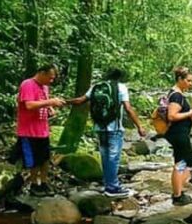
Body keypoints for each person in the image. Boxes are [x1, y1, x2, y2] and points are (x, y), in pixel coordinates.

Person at [68, 67, 146, 197]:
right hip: (114, 128)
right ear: (120, 76)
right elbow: (128, 108)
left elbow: (80, 100)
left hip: (100, 127)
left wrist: (62, 102)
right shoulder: (121, 87)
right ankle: (113, 187)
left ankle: (107, 183)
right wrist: (139, 126)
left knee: (105, 156)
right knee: (113, 158)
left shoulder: (97, 86)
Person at [13, 64, 66, 196]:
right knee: (34, 160)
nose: (51, 81)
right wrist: (50, 102)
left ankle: (43, 182)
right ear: (41, 73)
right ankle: (33, 184)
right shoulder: (27, 84)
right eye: (50, 77)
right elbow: (29, 104)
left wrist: (50, 108)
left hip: (42, 130)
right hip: (28, 131)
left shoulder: (45, 87)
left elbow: (43, 102)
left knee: (45, 158)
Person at [164, 66, 192, 205]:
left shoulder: (176, 94)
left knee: (181, 161)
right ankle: (177, 194)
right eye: (189, 81)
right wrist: (189, 114)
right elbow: (172, 116)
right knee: (186, 161)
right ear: (180, 79)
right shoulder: (176, 96)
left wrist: (190, 115)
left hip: (179, 132)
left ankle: (178, 193)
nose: (191, 84)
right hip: (178, 134)